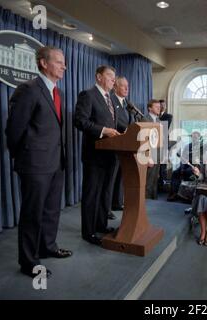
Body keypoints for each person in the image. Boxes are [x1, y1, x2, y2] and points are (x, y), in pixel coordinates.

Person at [5, 46, 72, 278]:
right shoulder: (28, 90)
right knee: (32, 214)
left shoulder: (58, 92)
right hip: (34, 165)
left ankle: (48, 247)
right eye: (59, 61)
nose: (64, 66)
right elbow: (14, 130)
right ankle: (29, 261)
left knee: (51, 210)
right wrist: (23, 158)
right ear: (43, 63)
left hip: (55, 163)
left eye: (64, 62)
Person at [74, 65, 124, 246]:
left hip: (110, 155)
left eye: (114, 76)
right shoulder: (88, 95)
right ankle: (88, 232)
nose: (113, 79)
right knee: (92, 194)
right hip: (94, 155)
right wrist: (103, 131)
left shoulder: (111, 99)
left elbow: (113, 125)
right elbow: (80, 121)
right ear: (98, 77)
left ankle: (101, 225)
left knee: (105, 193)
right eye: (110, 76)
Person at [110, 76, 135, 215]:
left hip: (125, 146)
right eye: (123, 86)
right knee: (112, 178)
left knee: (120, 176)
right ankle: (107, 207)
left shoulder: (128, 104)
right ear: (115, 87)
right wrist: (126, 130)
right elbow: (113, 120)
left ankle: (117, 202)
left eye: (127, 86)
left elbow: (131, 121)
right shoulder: (111, 101)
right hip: (115, 144)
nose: (126, 88)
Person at [146, 99, 162, 199]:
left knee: (155, 178)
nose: (159, 109)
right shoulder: (145, 119)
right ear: (150, 108)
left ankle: (153, 198)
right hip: (149, 155)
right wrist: (147, 157)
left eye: (159, 107)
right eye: (156, 107)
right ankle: (146, 200)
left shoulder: (159, 121)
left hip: (158, 154)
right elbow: (144, 141)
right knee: (148, 179)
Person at [158, 99, 173, 192]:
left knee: (162, 166)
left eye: (164, 105)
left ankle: (161, 185)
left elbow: (164, 126)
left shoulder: (168, 116)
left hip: (164, 143)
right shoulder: (155, 116)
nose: (163, 106)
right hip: (154, 143)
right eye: (161, 105)